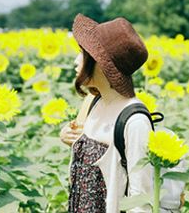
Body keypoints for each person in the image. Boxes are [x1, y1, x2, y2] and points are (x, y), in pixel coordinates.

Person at [60, 13, 154, 213]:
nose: (76, 62)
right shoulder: (95, 102)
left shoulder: (134, 121)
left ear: (101, 65)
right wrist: (66, 135)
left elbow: (141, 201)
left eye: (82, 54)